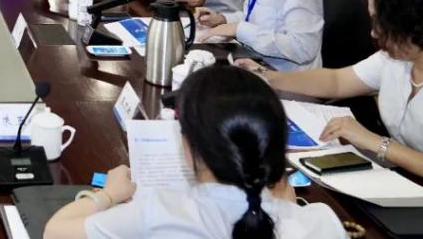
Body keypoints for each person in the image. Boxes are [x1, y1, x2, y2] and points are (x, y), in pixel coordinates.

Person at [44, 65, 345, 238]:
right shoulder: (323, 222)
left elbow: (56, 231)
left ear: (189, 147)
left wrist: (109, 195)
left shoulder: (160, 212)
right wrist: (289, 207)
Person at [239, 0, 423, 177]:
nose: (373, 33)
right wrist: (266, 77)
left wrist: (376, 142)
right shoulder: (395, 59)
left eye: (381, 23)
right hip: (396, 174)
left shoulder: (398, 56)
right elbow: (337, 81)